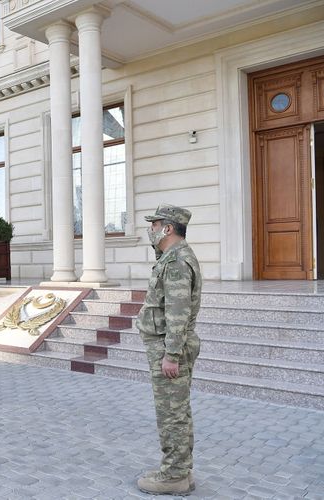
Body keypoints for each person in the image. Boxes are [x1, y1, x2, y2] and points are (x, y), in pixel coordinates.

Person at [135, 204, 202, 495]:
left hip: (168, 348)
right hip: (167, 346)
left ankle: (174, 475)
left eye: (155, 225)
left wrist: (171, 355)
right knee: (177, 411)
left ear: (168, 228)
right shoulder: (171, 256)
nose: (150, 229)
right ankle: (179, 470)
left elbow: (177, 312)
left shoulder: (176, 261)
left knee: (172, 414)